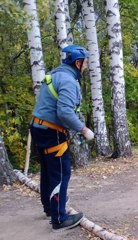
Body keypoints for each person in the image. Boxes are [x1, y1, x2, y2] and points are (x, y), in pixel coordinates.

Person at [30, 45, 94, 232]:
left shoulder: (56, 74)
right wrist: (83, 130)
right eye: (85, 63)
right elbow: (65, 112)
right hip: (52, 132)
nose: (87, 66)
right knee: (60, 173)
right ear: (78, 62)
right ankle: (59, 219)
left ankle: (50, 208)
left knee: (48, 170)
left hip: (39, 127)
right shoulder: (68, 81)